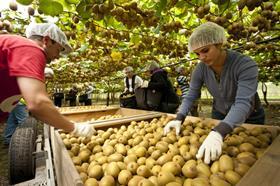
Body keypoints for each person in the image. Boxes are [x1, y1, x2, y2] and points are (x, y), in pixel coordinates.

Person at [164, 22, 265, 164]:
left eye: (205, 50)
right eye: (197, 53)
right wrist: (179, 117)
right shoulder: (200, 69)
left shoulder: (245, 65)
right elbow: (191, 95)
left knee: (252, 155)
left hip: (250, 116)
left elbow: (243, 103)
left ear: (219, 44)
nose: (201, 57)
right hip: (219, 113)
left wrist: (219, 131)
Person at [0, 22, 95, 137]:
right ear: (47, 40)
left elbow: (32, 97)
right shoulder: (31, 49)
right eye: (58, 50)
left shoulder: (21, 49)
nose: (58, 56)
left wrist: (49, 108)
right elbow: (37, 103)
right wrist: (74, 128)